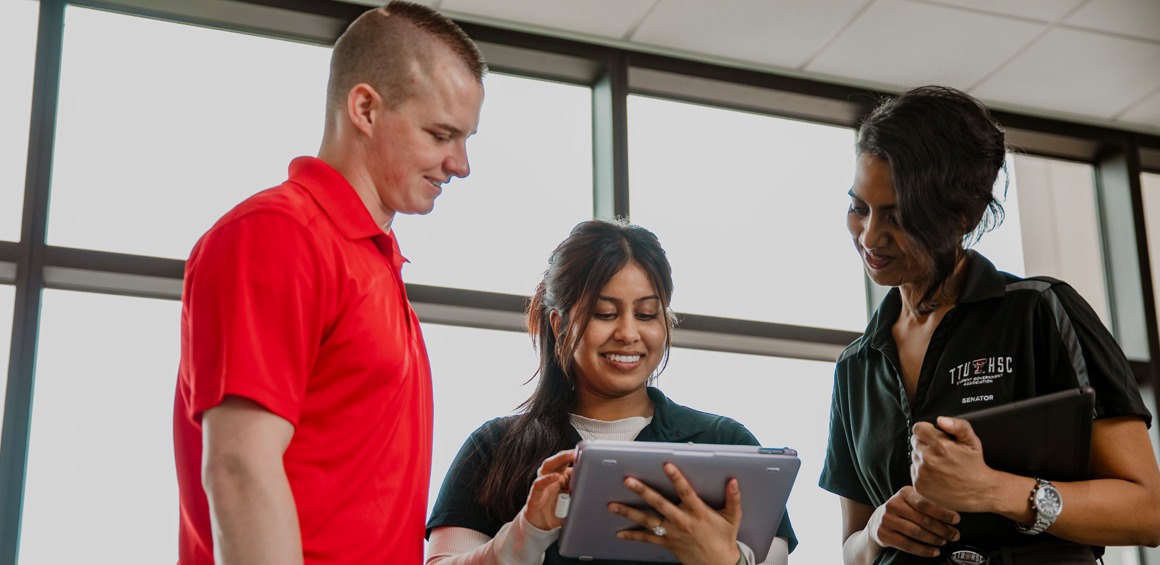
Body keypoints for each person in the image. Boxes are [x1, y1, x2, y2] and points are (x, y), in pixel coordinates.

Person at [172, 3, 486, 565]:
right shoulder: (277, 234)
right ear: (365, 107)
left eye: (465, 139)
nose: (460, 165)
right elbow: (240, 467)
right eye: (441, 134)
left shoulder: (374, 257)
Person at [821, 85, 1160, 565]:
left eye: (898, 216)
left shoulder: (1040, 312)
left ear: (964, 215)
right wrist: (877, 531)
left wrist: (996, 490)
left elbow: (1148, 511)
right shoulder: (856, 366)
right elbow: (851, 549)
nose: (870, 236)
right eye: (859, 207)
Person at [424, 220, 797, 565]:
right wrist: (528, 531)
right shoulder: (493, 450)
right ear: (559, 325)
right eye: (605, 313)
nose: (628, 333)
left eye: (647, 314)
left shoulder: (727, 444)